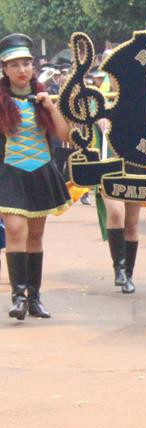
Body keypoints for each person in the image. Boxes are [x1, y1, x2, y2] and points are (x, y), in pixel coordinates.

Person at [0, 33, 71, 320]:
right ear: (4, 69)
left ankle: (34, 298)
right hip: (11, 174)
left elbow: (64, 135)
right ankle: (18, 297)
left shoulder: (43, 99)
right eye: (14, 65)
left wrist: (50, 106)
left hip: (40, 171)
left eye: (26, 63)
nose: (22, 70)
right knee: (16, 230)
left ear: (33, 66)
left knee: (37, 235)